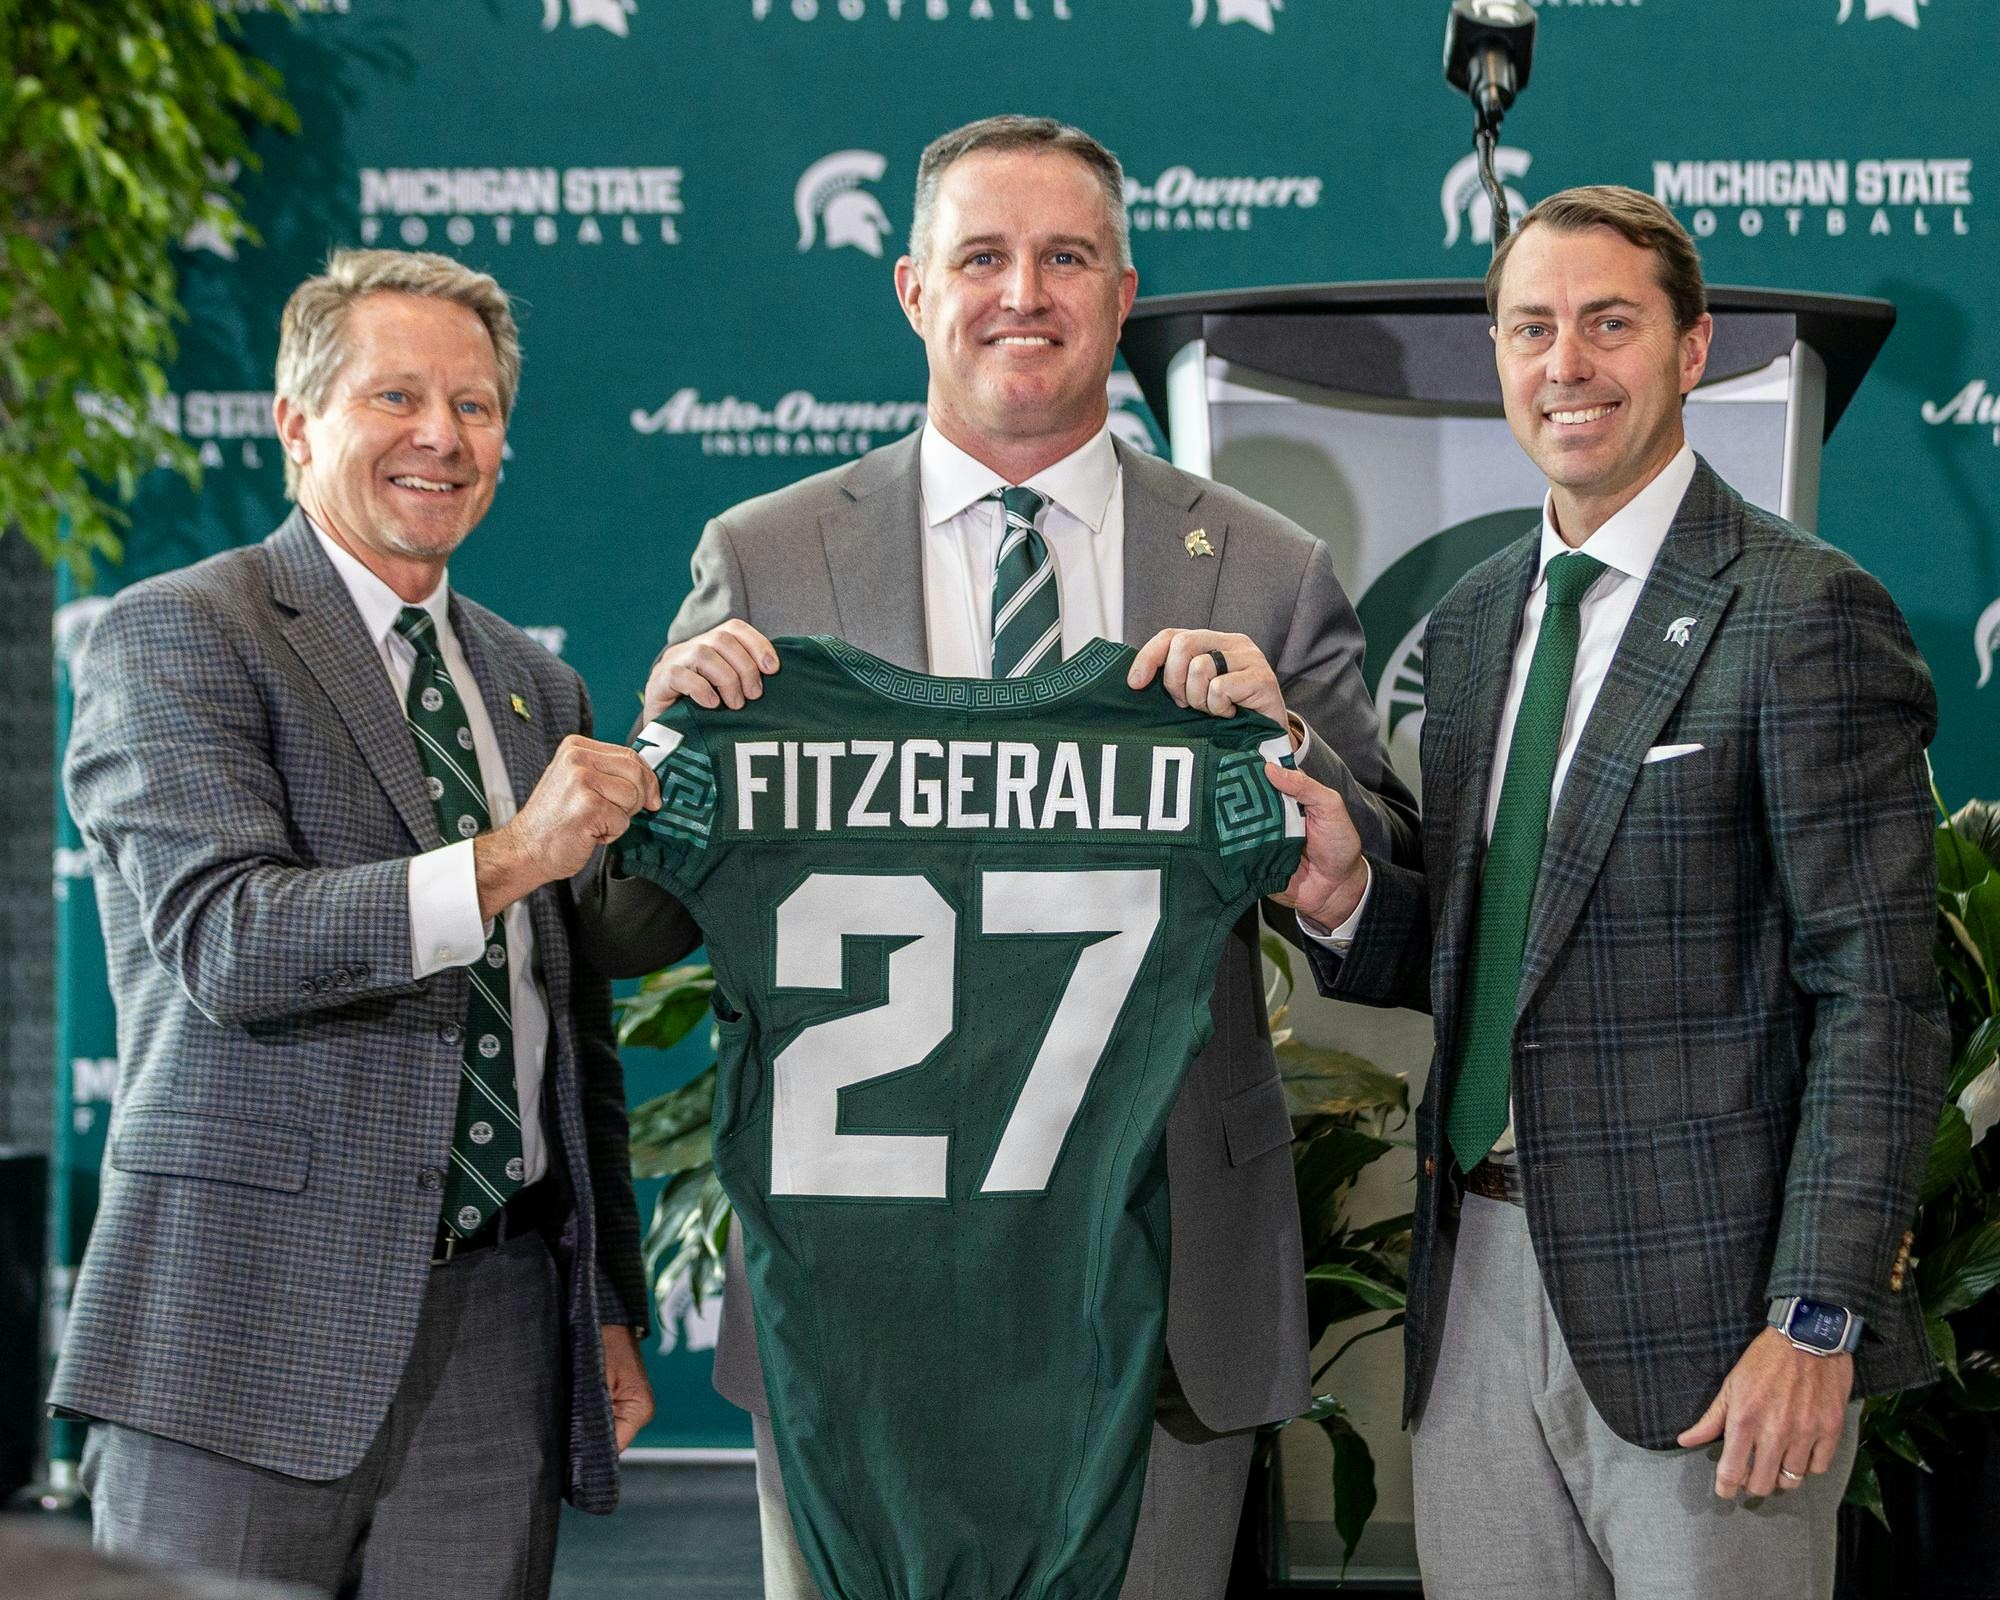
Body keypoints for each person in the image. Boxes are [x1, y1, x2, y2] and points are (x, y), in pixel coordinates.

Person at [575, 114, 1418, 1600]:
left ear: (1121, 289)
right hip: (858, 1299)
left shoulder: (1265, 565)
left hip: (1153, 1296)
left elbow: (1391, 892)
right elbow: (629, 921)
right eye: (983, 256)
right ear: (912, 288)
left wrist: (1320, 827)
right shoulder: (765, 554)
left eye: (1066, 257)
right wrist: (658, 765)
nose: (1023, 291)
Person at [1264, 186, 1947, 1598]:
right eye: (1531, 329)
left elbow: (1879, 999)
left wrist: (1814, 1323)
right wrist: (1342, 893)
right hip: (1474, 1295)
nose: (1564, 363)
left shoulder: (1805, 612)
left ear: (1692, 352)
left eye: (1608, 324)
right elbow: (1496, 948)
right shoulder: (1465, 632)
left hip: (1714, 1326)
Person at [54, 249, 662, 1598]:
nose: (441, 437)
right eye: (396, 397)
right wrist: (514, 855)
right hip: (243, 1317)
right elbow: (229, 938)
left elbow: (576, 1040)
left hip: (501, 1324)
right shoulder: (180, 635)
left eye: (476, 406)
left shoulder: (531, 682)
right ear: (297, 423)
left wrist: (606, 1303)